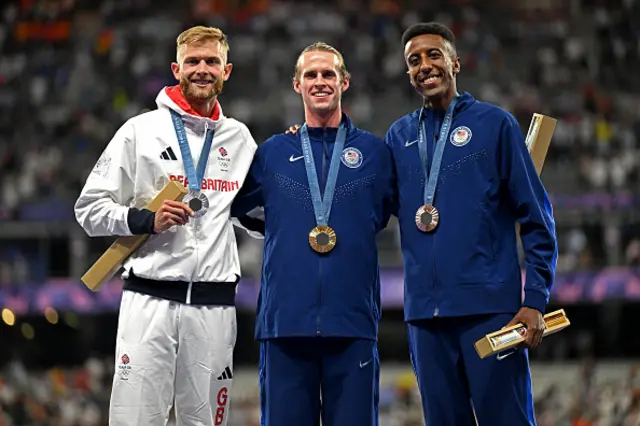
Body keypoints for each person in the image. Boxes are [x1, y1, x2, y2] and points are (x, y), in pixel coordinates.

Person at [74, 26, 257, 426]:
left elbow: (253, 216)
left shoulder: (240, 138)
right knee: (136, 420)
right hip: (149, 301)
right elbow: (88, 209)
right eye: (193, 61)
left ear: (228, 70)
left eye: (212, 62)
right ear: (177, 68)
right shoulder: (140, 131)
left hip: (214, 305)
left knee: (207, 421)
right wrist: (144, 219)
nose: (202, 69)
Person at [384, 22, 558, 425]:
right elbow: (370, 204)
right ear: (408, 73)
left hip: (491, 313)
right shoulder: (398, 136)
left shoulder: (495, 125)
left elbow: (536, 218)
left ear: (455, 62)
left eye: (433, 55)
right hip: (426, 319)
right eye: (413, 61)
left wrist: (534, 299)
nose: (424, 65)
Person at [231, 42, 396, 426]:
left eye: (328, 74)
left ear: (345, 81)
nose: (320, 82)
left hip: (352, 322)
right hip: (285, 323)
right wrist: (278, 230)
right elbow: (235, 208)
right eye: (311, 75)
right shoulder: (272, 152)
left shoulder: (375, 153)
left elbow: (390, 211)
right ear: (297, 85)